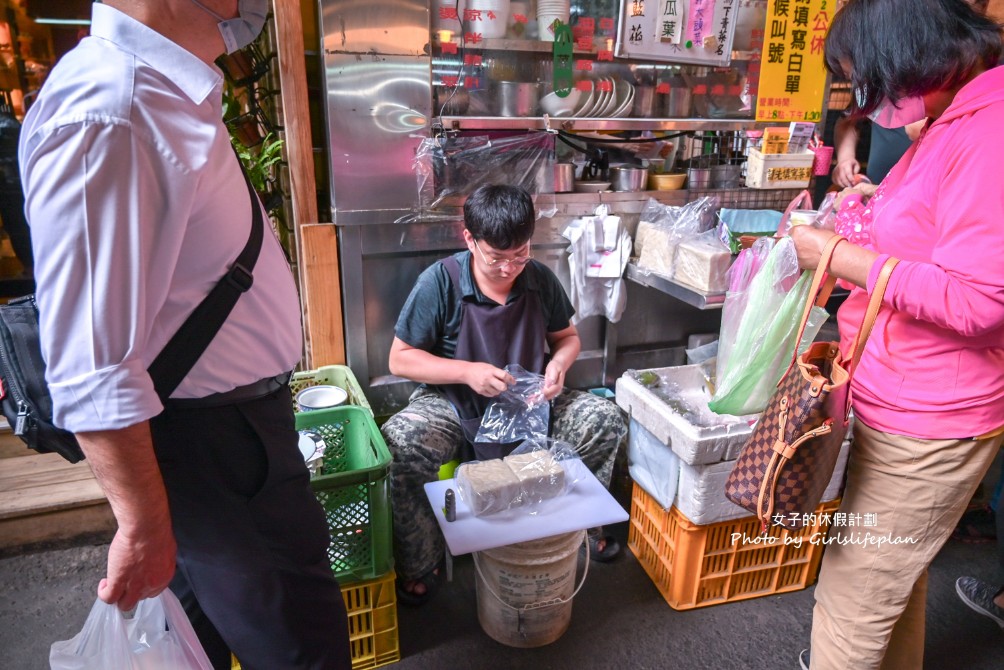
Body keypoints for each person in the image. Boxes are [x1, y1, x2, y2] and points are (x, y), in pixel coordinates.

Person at [18, 2, 351, 668]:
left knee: (224, 634)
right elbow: (90, 362)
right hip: (215, 447)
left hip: (230, 439)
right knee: (300, 647)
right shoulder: (112, 110)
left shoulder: (164, 92)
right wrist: (143, 524)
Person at [788, 1, 1004, 668]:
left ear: (908, 57)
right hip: (896, 393)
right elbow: (925, 237)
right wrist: (851, 217)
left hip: (933, 413)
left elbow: (979, 299)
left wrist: (833, 255)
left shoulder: (988, 131)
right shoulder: (950, 117)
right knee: (891, 585)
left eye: (865, 80)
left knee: (850, 609)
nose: (863, 98)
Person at [381, 183, 628, 605]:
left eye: (520, 254)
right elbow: (400, 359)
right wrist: (466, 372)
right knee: (401, 442)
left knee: (605, 419)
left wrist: (558, 366)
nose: (508, 268)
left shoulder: (539, 279)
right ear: (470, 239)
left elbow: (567, 338)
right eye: (496, 257)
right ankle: (421, 560)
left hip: (528, 405)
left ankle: (578, 533)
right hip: (455, 405)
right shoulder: (440, 282)